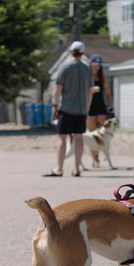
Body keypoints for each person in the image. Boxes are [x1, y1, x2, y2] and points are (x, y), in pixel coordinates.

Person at [44, 41, 94, 177]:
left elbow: (58, 88)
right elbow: (91, 91)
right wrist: (87, 109)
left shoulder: (64, 67)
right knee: (79, 138)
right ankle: (77, 168)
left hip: (66, 108)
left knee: (61, 137)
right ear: (83, 53)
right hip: (82, 109)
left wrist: (55, 105)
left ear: (70, 51)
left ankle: (59, 168)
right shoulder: (87, 69)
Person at [88, 54, 114, 167]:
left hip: (101, 106)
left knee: (102, 134)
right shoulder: (86, 76)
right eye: (95, 65)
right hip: (89, 107)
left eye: (98, 65)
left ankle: (103, 154)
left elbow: (107, 93)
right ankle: (95, 159)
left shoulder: (102, 77)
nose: (97, 67)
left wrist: (111, 104)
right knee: (92, 135)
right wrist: (90, 90)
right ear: (90, 64)